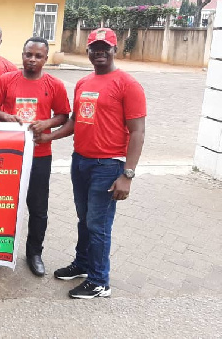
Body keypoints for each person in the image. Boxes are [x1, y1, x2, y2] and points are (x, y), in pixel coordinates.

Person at [37, 27, 146, 299]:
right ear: (88, 51)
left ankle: (99, 281)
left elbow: (138, 132)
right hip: (81, 161)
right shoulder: (84, 83)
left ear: (114, 49)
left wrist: (127, 175)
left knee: (98, 224)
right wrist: (48, 136)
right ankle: (83, 264)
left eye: (104, 47)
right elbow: (75, 121)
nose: (99, 52)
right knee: (84, 219)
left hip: (108, 165)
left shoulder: (128, 84)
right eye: (94, 48)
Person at [0, 37, 70, 277]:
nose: (32, 60)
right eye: (28, 55)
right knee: (5, 204)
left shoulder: (54, 84)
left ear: (46, 59)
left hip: (39, 155)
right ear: (22, 54)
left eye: (38, 56)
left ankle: (34, 253)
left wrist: (47, 124)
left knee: (38, 208)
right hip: (9, 153)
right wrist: (6, 117)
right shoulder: (6, 80)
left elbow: (64, 115)